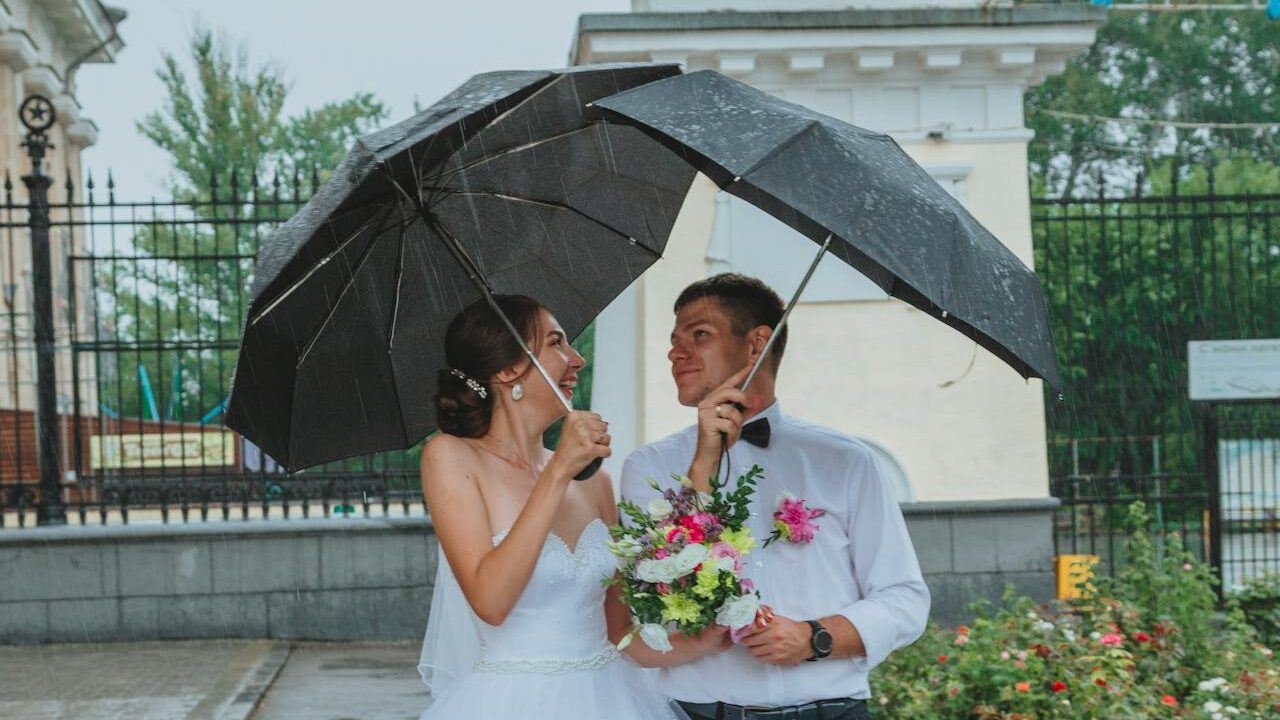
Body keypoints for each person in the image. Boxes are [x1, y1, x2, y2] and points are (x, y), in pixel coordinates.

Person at [621, 274, 931, 720]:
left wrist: (815, 637)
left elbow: (903, 597)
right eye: (674, 339)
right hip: (698, 712)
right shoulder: (648, 467)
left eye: (699, 334)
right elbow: (645, 605)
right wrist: (702, 466)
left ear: (756, 344)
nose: (675, 352)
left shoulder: (846, 461)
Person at [416, 295, 716, 720]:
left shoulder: (596, 482)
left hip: (612, 699)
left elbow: (620, 633)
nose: (576, 359)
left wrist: (706, 642)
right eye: (556, 343)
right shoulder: (450, 457)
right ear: (506, 370)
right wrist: (557, 472)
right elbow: (491, 601)